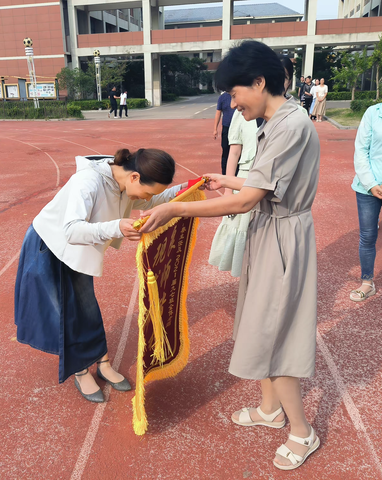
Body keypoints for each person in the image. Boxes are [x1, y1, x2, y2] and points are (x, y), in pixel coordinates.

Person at [140, 40, 321, 471]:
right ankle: (269, 409)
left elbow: (249, 201)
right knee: (259, 326)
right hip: (269, 231)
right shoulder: (275, 120)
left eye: (235, 93)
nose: (232, 103)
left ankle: (302, 431)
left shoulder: (291, 125)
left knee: (275, 336)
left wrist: (175, 208)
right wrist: (229, 179)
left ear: (259, 82)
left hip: (283, 237)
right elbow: (259, 186)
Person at [15, 148, 187, 403]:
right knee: (66, 312)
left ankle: (102, 362)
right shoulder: (88, 181)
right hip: (50, 247)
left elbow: (151, 201)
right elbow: (71, 230)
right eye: (148, 190)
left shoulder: (123, 181)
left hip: (78, 249)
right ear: (135, 178)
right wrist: (116, 226)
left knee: (87, 306)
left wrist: (189, 187)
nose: (148, 198)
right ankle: (81, 369)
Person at [209, 108, 258, 277]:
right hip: (244, 177)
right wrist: (228, 190)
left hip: (271, 180)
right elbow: (234, 153)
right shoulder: (241, 113)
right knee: (242, 233)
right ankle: (247, 279)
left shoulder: (293, 112)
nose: (233, 103)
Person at [350, 102, 382, 301]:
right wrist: (371, 184)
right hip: (368, 187)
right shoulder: (373, 113)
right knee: (368, 236)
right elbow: (361, 150)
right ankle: (367, 282)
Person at [214, 91, 236, 175]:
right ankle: (224, 173)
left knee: (238, 150)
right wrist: (215, 129)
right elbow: (218, 113)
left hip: (238, 127)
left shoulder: (240, 94)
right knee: (225, 150)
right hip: (226, 127)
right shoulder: (222, 97)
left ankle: (236, 173)